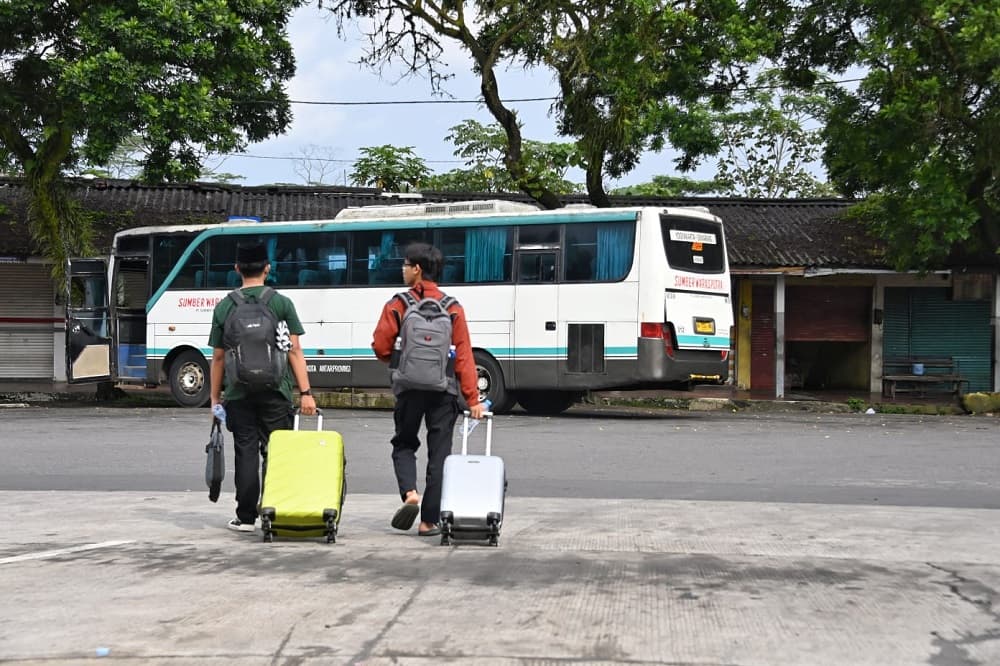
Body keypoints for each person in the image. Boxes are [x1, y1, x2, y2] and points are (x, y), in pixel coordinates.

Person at [371, 242, 485, 537]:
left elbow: (380, 346)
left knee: (404, 443)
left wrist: (400, 363)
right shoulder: (453, 307)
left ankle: (410, 493)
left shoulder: (398, 304)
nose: (403, 269)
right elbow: (464, 356)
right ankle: (428, 521)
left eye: (406, 265)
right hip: (443, 390)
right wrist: (473, 399)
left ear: (417, 269)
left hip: (408, 388)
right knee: (440, 454)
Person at [208, 242, 317, 533]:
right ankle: (273, 509)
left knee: (245, 451)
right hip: (276, 391)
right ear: (267, 268)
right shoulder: (280, 303)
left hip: (238, 393)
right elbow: (294, 350)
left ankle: (245, 517)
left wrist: (214, 398)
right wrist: (306, 393)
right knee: (276, 451)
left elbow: (218, 357)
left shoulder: (225, 306)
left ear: (236, 270)